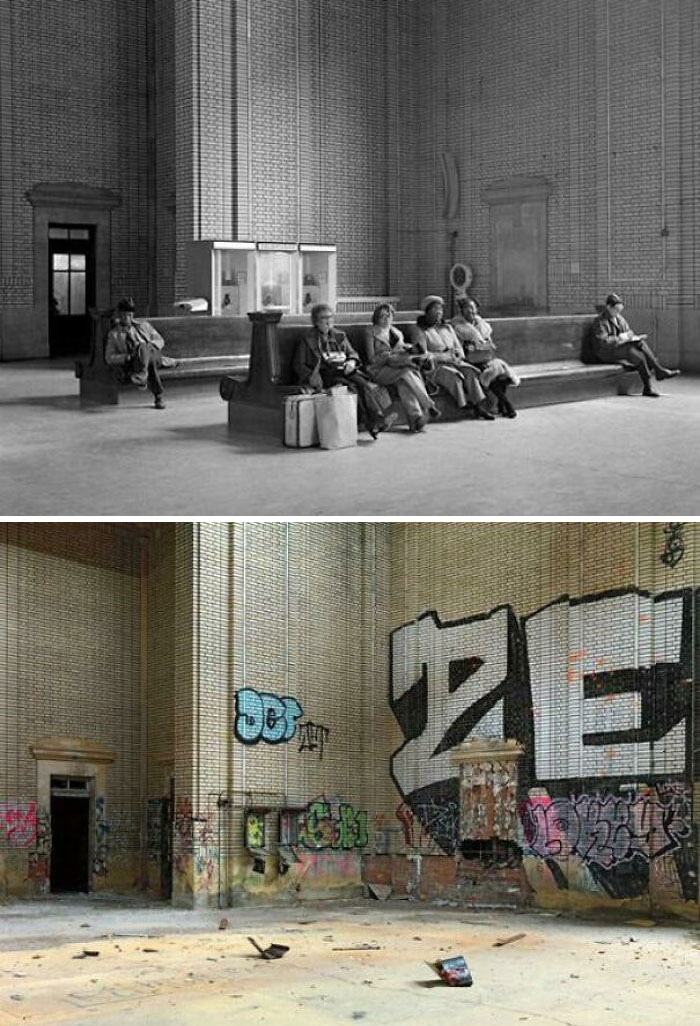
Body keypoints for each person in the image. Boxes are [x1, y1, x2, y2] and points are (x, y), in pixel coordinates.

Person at [293, 303, 389, 439]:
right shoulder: (307, 339)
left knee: (363, 384)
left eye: (330, 318)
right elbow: (298, 364)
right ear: (315, 321)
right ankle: (372, 420)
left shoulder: (340, 335)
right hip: (323, 374)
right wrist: (310, 376)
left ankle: (374, 419)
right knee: (351, 387)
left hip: (343, 370)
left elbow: (353, 353)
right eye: (323, 318)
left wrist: (352, 361)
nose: (328, 322)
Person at [407, 295, 495, 420]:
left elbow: (458, 348)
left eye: (440, 309)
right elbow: (422, 355)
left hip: (454, 361)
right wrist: (444, 356)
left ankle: (479, 406)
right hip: (435, 367)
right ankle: (463, 405)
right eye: (435, 309)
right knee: (454, 376)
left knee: (470, 372)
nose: (438, 312)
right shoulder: (419, 330)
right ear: (426, 311)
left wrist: (457, 355)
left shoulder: (447, 327)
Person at [364, 303, 441, 433]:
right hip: (378, 370)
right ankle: (428, 405)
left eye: (389, 316)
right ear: (376, 317)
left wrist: (409, 349)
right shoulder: (370, 332)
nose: (386, 319)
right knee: (407, 372)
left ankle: (415, 420)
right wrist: (389, 355)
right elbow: (371, 358)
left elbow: (402, 347)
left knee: (403, 384)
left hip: (396, 367)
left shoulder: (396, 333)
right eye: (382, 316)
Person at [592, 293, 680, 397]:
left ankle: (657, 372)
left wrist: (632, 337)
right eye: (615, 310)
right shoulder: (600, 321)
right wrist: (620, 338)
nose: (617, 313)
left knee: (639, 343)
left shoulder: (619, 318)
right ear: (608, 307)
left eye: (619, 310)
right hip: (606, 352)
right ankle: (651, 381)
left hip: (620, 348)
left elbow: (629, 332)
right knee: (634, 354)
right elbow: (603, 342)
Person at [450, 296, 520, 418]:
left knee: (499, 371)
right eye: (467, 308)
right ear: (461, 311)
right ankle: (506, 405)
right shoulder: (457, 327)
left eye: (472, 308)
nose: (470, 311)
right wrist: (473, 347)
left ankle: (501, 406)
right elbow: (458, 348)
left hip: (486, 357)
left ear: (476, 309)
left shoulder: (483, 326)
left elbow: (490, 344)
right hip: (468, 360)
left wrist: (482, 346)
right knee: (491, 373)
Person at [105, 297, 177, 409]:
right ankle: (158, 397)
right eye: (123, 315)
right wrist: (126, 357)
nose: (126, 318)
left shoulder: (143, 326)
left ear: (132, 315)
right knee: (150, 363)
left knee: (143, 347)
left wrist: (148, 347)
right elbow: (109, 357)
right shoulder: (114, 334)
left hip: (154, 354)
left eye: (129, 315)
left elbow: (160, 340)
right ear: (119, 316)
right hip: (135, 361)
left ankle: (142, 375)